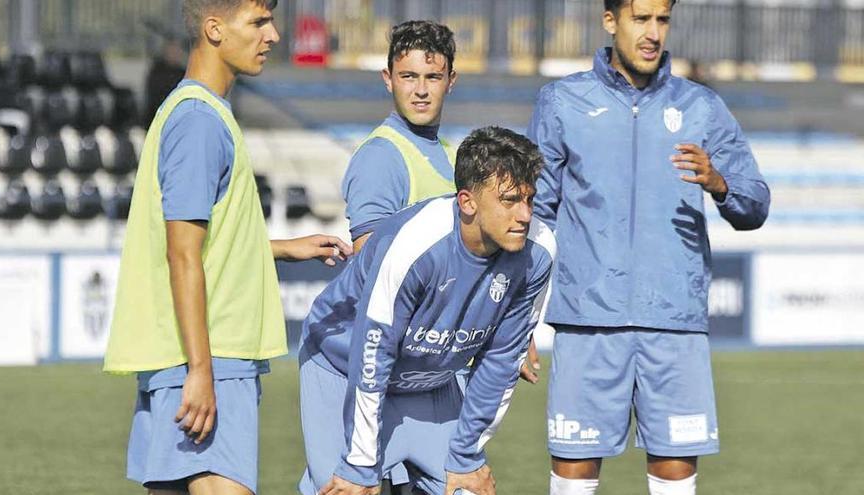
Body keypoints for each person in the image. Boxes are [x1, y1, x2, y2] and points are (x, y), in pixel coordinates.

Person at [103, 1, 351, 494]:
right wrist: (202, 369)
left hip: (182, 356)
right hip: (210, 353)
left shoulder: (191, 110)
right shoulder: (199, 121)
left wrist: (280, 247)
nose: (273, 35)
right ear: (214, 29)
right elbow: (182, 253)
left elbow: (204, 240)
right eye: (258, 22)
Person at [526, 1, 770, 494]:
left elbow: (755, 204)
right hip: (587, 321)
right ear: (611, 20)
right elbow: (534, 217)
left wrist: (719, 183)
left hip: (673, 323)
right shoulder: (562, 102)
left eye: (662, 20)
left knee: (676, 475)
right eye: (641, 19)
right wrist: (520, 317)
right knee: (573, 474)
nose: (653, 32)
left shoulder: (702, 106)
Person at [298, 126, 556, 495]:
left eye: (530, 200)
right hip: (344, 369)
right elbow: (372, 354)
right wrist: (359, 463)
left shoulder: (540, 249)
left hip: (429, 384)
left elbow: (501, 360)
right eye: (510, 200)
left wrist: (466, 456)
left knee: (469, 489)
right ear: (467, 202)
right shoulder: (414, 244)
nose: (525, 215)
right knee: (347, 488)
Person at [341, 20, 457, 254]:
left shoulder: (449, 151)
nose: (421, 90)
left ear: (450, 81)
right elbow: (371, 265)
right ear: (388, 79)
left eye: (433, 77)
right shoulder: (380, 156)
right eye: (409, 76)